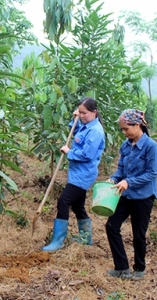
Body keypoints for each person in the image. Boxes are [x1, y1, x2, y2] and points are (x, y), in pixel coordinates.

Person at [42, 97, 105, 252]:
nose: (82, 116)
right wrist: (75, 118)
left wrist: (70, 152)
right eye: (80, 112)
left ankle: (58, 241)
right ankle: (86, 238)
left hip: (84, 174)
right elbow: (75, 131)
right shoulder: (86, 125)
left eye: (85, 113)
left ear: (94, 112)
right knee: (78, 206)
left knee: (63, 201)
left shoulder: (95, 131)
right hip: (77, 172)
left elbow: (87, 154)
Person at [105, 109, 157, 280]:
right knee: (111, 226)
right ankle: (121, 267)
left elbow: (151, 173)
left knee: (138, 234)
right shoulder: (125, 145)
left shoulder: (150, 146)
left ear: (137, 125)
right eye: (122, 129)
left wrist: (129, 182)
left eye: (126, 129)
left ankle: (139, 270)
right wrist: (113, 179)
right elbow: (121, 168)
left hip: (143, 196)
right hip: (126, 194)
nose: (124, 132)